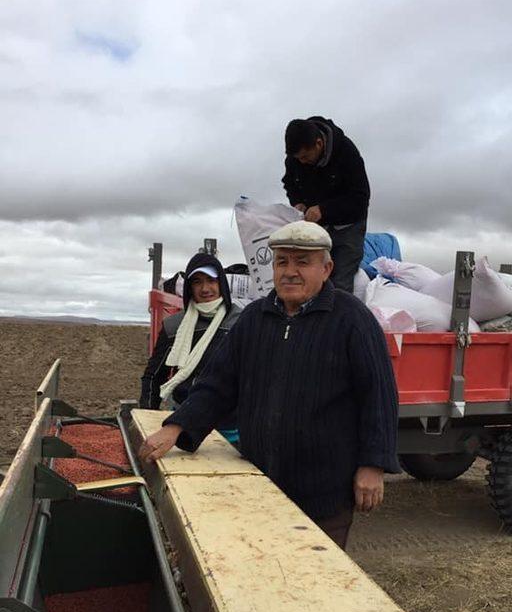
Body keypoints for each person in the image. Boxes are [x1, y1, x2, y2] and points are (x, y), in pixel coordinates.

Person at [139, 221, 399, 549]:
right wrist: (177, 427)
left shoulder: (352, 320)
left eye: (302, 262)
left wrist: (373, 465)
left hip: (325, 493)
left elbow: (379, 397)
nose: (290, 272)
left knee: (316, 578)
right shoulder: (254, 320)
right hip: (261, 483)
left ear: (327, 268)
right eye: (282, 262)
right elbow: (217, 385)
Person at [139, 253, 242, 441]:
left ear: (222, 283)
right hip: (182, 425)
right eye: (197, 282)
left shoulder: (241, 322)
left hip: (230, 429)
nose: (205, 288)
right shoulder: (174, 326)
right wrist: (147, 419)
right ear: (189, 288)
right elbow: (153, 377)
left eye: (211, 280)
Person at [282, 116, 370, 294]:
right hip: (315, 227)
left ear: (319, 144)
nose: (302, 162)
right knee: (310, 278)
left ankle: (339, 320)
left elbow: (360, 198)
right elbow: (289, 183)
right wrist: (297, 202)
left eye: (305, 157)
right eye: (298, 158)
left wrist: (324, 209)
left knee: (339, 284)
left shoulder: (347, 153)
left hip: (348, 227)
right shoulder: (294, 158)